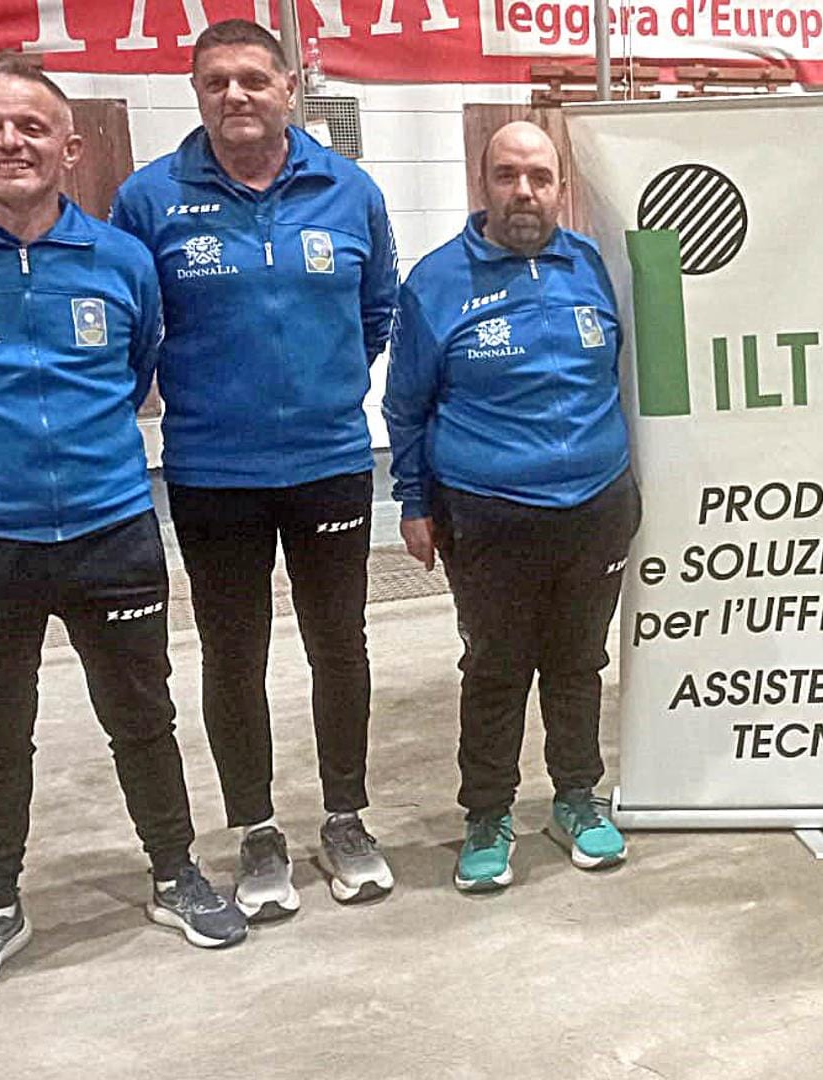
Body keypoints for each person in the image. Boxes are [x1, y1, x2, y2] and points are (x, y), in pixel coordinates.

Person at [0, 57, 246, 1001]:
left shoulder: (122, 260)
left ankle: (174, 869)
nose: (10, 142)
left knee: (144, 718)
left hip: (109, 530)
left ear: (70, 148)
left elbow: (136, 371)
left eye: (32, 127)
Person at [110, 19, 398, 921]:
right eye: (215, 82)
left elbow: (376, 311)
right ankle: (256, 829)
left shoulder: (349, 191)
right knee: (234, 653)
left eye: (252, 79)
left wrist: (322, 389)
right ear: (196, 93)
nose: (234, 95)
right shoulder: (149, 199)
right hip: (213, 471)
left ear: (289, 88)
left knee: (339, 643)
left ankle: (345, 817)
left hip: (330, 464)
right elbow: (133, 328)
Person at [384, 121, 639, 891]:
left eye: (539, 176)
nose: (524, 191)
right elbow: (405, 406)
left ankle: (577, 799)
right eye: (507, 175)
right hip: (488, 512)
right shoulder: (436, 281)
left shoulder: (594, 267)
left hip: (596, 504)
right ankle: (487, 814)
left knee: (578, 662)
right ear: (483, 183)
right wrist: (413, 502)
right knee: (496, 668)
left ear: (561, 187)